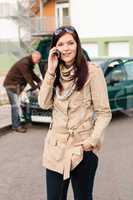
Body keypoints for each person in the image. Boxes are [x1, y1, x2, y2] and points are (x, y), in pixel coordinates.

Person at [38, 26, 112, 200]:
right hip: (56, 150)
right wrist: (50, 70)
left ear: (77, 45)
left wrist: (92, 141)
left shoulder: (92, 72)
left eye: (70, 43)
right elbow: (44, 103)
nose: (66, 48)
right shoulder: (53, 72)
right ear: (55, 48)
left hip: (82, 149)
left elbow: (104, 112)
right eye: (61, 44)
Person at [3, 51, 42, 133]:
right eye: (38, 60)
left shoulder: (29, 63)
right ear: (34, 57)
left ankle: (17, 124)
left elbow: (32, 74)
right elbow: (28, 77)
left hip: (16, 86)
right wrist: (35, 88)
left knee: (18, 105)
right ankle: (16, 126)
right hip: (11, 86)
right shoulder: (25, 63)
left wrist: (40, 81)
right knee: (15, 106)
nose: (39, 62)